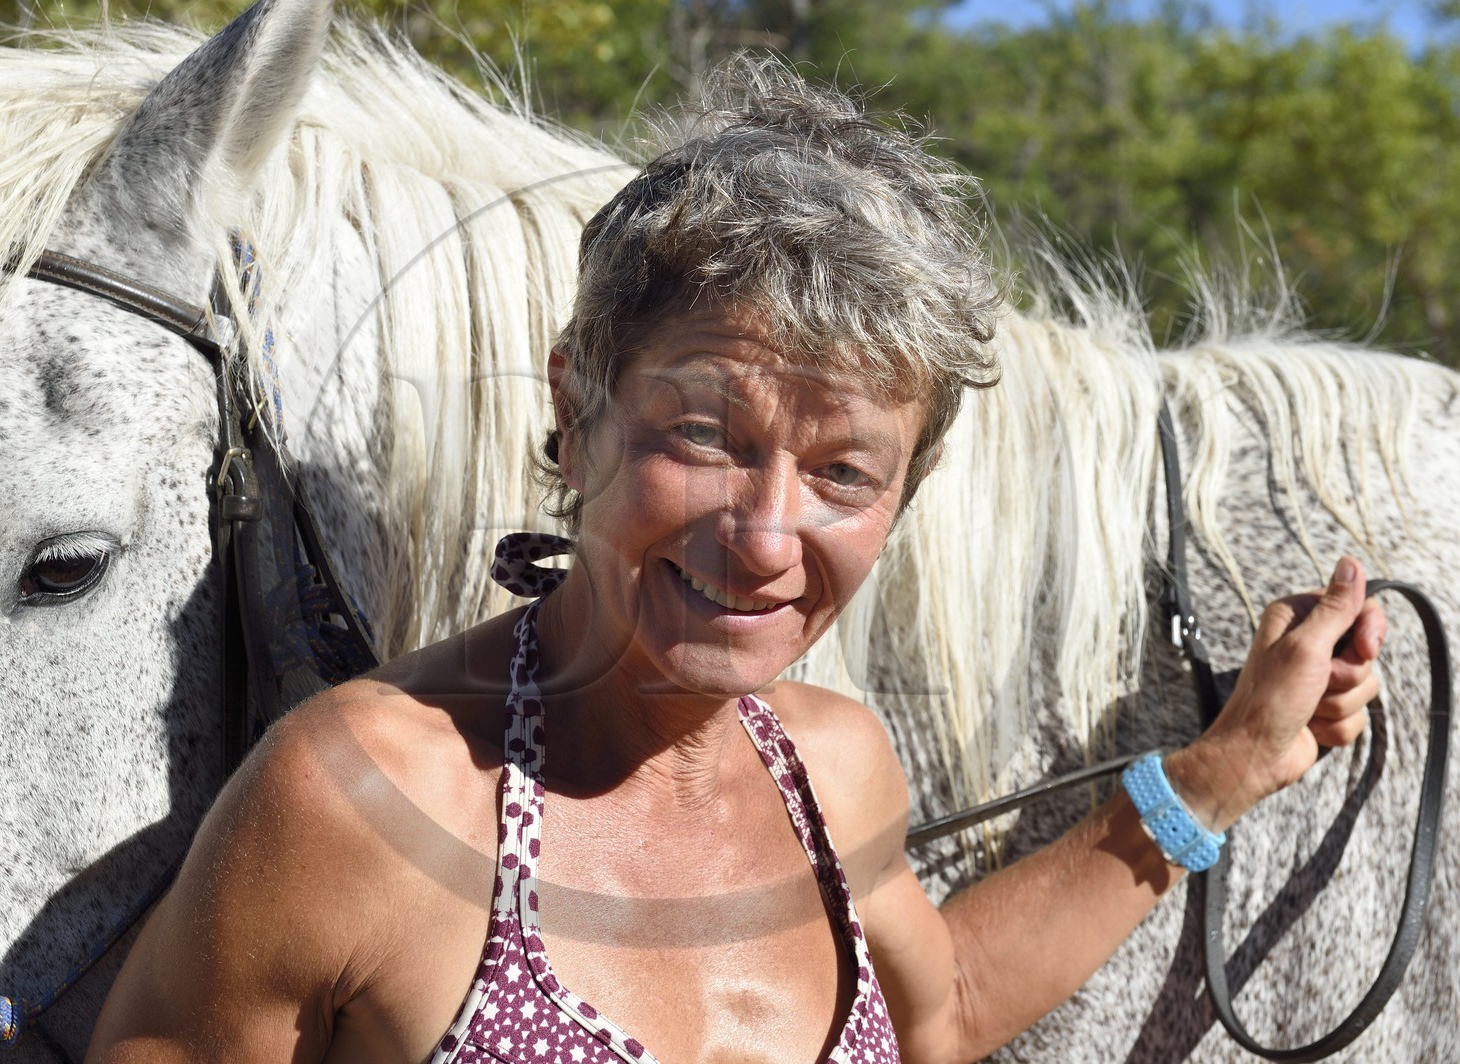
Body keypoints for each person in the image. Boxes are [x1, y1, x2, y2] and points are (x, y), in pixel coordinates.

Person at [87, 56, 1385, 1064]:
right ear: (574, 406)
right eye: (706, 438)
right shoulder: (351, 803)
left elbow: (943, 1019)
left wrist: (1219, 776)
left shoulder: (836, 768)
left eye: (842, 474)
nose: (766, 536)